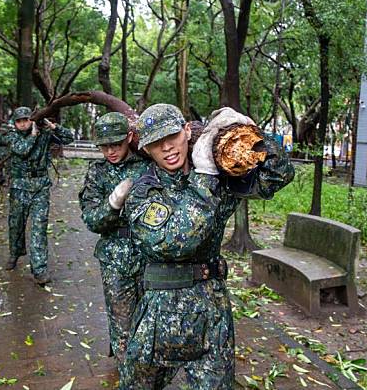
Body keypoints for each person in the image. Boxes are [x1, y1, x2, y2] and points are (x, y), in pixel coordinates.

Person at [119, 104, 294, 389]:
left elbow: (278, 175)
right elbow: (178, 242)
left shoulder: (219, 173)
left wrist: (249, 132)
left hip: (211, 310)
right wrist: (204, 175)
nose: (167, 148)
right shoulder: (143, 193)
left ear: (186, 131)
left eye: (172, 136)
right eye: (156, 143)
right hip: (159, 314)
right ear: (146, 149)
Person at [79, 112, 151, 364]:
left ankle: (145, 369)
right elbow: (90, 219)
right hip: (114, 259)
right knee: (121, 320)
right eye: (104, 146)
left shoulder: (148, 166)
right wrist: (112, 203)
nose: (110, 151)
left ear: (129, 138)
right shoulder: (97, 173)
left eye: (116, 144)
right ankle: (126, 371)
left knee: (148, 319)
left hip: (148, 254)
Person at [5, 106, 74, 284]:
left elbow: (69, 138)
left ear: (32, 120)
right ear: (15, 123)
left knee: (39, 227)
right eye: (19, 121)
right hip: (19, 187)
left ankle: (39, 269)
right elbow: (22, 150)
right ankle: (15, 252)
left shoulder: (44, 133)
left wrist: (53, 127)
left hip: (40, 188)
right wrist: (33, 135)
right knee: (16, 224)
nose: (23, 124)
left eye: (26, 120)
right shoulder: (12, 137)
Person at [0, 122, 14, 186]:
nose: (2, 131)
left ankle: (7, 181)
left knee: (8, 168)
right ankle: (0, 180)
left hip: (8, 154)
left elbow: (13, 144)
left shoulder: (10, 136)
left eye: (4, 130)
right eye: (1, 130)